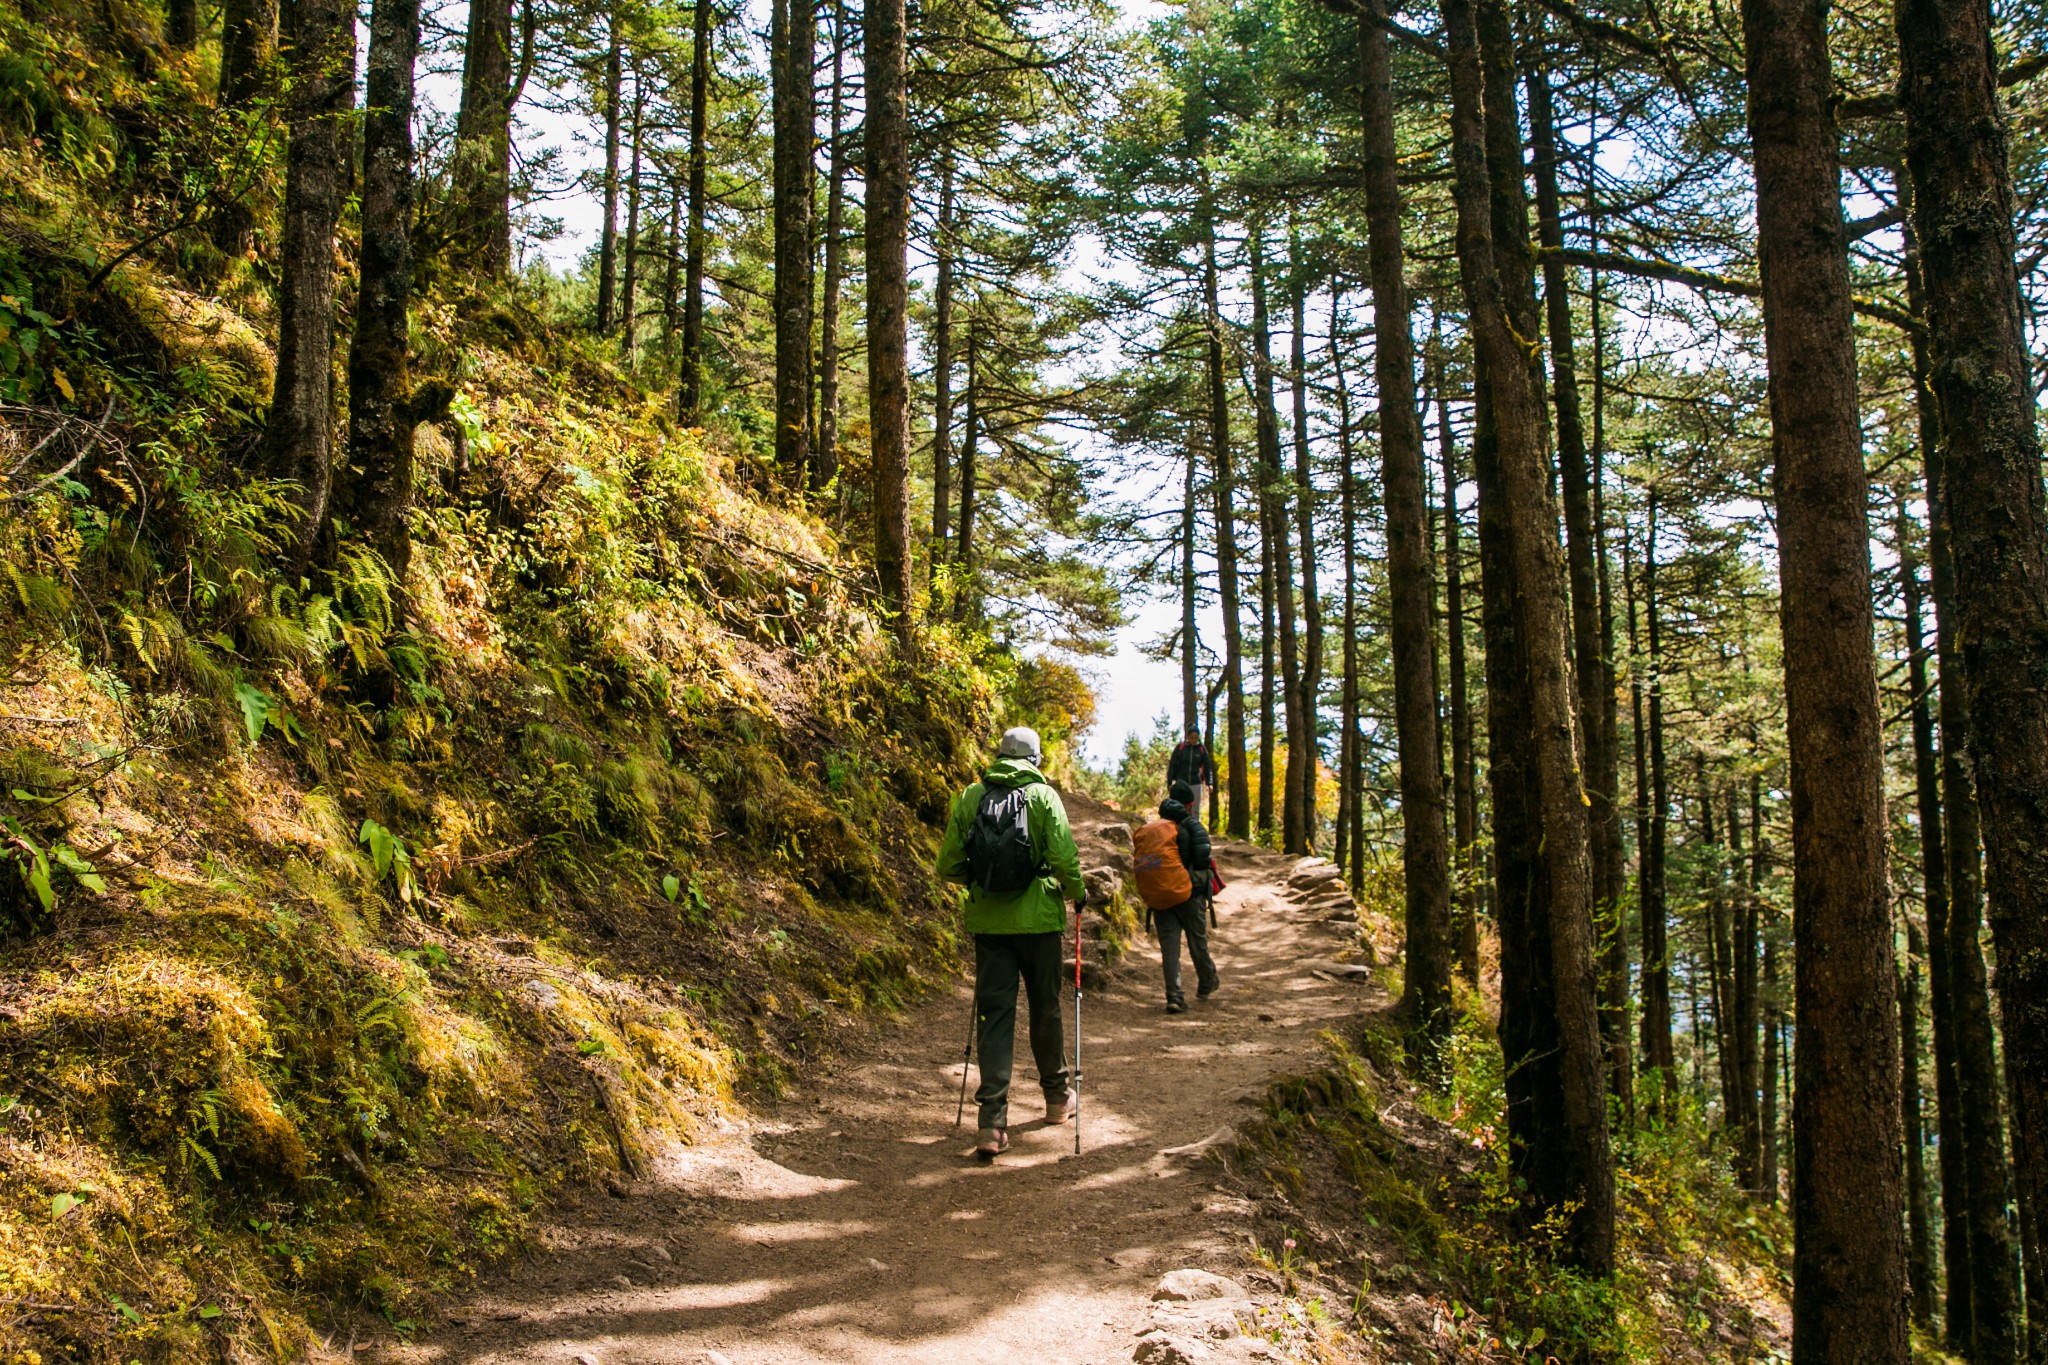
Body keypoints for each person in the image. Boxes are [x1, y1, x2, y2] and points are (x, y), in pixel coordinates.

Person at [935, 726, 1086, 1159]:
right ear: (1036, 760)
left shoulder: (971, 796)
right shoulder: (1044, 797)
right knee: (1045, 1007)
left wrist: (983, 882)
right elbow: (1063, 857)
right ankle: (1057, 1099)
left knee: (995, 1015)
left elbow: (947, 864)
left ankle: (991, 1124)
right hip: (1039, 922)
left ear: (999, 755)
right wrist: (1077, 892)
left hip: (990, 926)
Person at [1154, 780, 1220, 1014]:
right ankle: (1207, 982)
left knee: (1169, 948)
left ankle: (1174, 995)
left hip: (1161, 896)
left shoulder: (1157, 829)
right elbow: (1203, 859)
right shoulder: (1193, 826)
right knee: (1197, 942)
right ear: (1190, 804)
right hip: (1190, 895)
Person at [1166, 729, 1215, 821]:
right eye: (1191, 738)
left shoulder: (1201, 749)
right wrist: (1169, 782)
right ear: (1187, 737)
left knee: (1195, 809)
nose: (1193, 740)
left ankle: (1194, 828)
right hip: (1181, 782)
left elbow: (1207, 766)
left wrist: (1209, 783)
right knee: (1179, 806)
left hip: (1196, 782)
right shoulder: (1180, 748)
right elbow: (1172, 765)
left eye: (1196, 738)